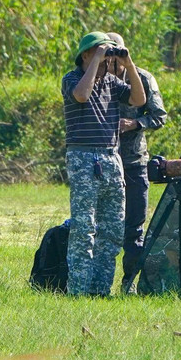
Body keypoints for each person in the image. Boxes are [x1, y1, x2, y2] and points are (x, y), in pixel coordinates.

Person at [61, 31, 147, 296]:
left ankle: (100, 290)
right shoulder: (72, 79)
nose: (107, 57)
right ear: (85, 54)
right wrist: (97, 59)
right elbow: (82, 95)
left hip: (112, 156)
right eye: (100, 51)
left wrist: (128, 65)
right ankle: (78, 290)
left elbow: (139, 100)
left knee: (112, 229)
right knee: (85, 226)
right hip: (84, 157)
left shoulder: (112, 82)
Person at [104, 33, 167, 294]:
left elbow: (159, 116)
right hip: (106, 161)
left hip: (133, 161)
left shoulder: (143, 78)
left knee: (134, 229)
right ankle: (98, 282)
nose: (112, 63)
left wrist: (134, 124)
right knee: (102, 227)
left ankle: (129, 283)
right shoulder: (96, 78)